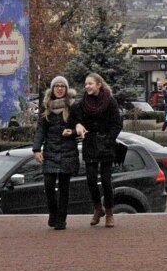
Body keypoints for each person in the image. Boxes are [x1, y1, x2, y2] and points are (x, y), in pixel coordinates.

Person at [73, 72, 124, 228]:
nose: (87, 86)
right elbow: (74, 118)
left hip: (106, 145)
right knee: (90, 179)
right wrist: (78, 125)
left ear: (98, 85)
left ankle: (109, 213)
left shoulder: (109, 101)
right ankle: (97, 208)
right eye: (86, 84)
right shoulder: (82, 103)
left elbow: (117, 124)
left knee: (107, 181)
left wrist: (108, 139)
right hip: (90, 144)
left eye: (90, 83)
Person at [33, 76, 78, 230]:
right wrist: (36, 149)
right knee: (49, 184)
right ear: (52, 89)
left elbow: (80, 128)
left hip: (67, 152)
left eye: (62, 86)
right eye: (56, 86)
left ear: (66, 89)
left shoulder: (73, 106)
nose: (59, 89)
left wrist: (71, 132)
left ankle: (61, 220)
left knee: (64, 188)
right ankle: (53, 212)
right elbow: (41, 130)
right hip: (51, 152)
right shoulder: (47, 106)